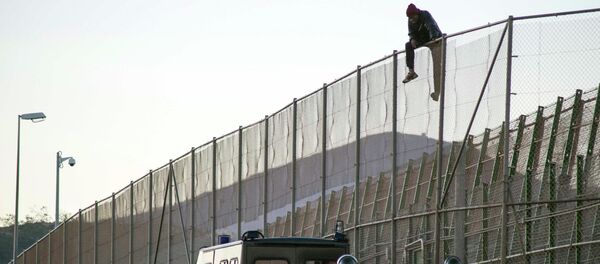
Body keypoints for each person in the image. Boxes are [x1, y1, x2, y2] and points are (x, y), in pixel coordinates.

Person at [402, 3, 443, 101]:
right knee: (408, 45)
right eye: (410, 18)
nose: (412, 20)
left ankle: (437, 92)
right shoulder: (410, 20)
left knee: (437, 66)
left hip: (435, 39)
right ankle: (411, 72)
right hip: (422, 40)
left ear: (417, 14)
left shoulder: (425, 14)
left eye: (413, 17)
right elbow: (411, 32)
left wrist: (434, 37)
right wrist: (412, 39)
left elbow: (431, 26)